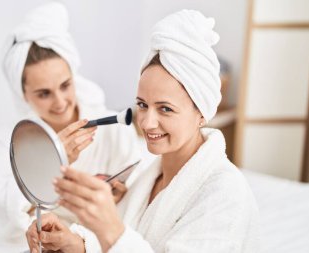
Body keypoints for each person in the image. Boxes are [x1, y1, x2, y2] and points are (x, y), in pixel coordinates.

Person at [26, 9, 259, 253]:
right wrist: (77, 244)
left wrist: (111, 230)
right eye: (142, 105)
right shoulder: (149, 177)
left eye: (165, 109)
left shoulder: (225, 194)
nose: (146, 123)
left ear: (201, 113)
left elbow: (121, 240)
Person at [0, 2, 141, 252]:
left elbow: (136, 199)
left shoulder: (113, 127)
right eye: (44, 94)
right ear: (23, 95)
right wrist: (51, 163)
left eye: (65, 85)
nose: (60, 102)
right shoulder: (13, 139)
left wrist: (116, 199)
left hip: (92, 236)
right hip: (35, 237)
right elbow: (1, 203)